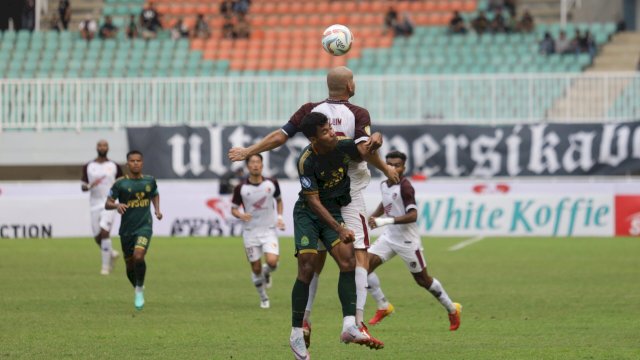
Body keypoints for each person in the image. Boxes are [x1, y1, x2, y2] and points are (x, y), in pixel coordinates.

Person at [228, 66, 399, 348]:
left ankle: (305, 319)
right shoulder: (358, 113)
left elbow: (281, 136)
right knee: (358, 254)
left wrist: (249, 151)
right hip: (349, 188)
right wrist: (383, 164)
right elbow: (362, 150)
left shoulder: (310, 110)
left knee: (314, 261)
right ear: (350, 87)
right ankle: (355, 323)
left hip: (321, 190)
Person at [289, 112, 395, 359]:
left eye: (330, 127)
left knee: (348, 261)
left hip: (334, 210)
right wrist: (339, 228)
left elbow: (367, 147)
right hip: (308, 214)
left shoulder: (342, 145)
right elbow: (313, 201)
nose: (332, 133)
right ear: (314, 139)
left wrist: (376, 138)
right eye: (325, 132)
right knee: (306, 267)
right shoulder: (306, 161)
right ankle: (296, 333)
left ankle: (349, 324)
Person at [365, 151, 462, 331]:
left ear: (404, 168)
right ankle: (383, 306)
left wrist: (384, 220)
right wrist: (374, 216)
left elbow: (413, 215)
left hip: (407, 241)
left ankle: (451, 308)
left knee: (422, 280)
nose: (392, 168)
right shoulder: (384, 184)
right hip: (388, 237)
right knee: (362, 267)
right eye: (389, 164)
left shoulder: (406, 187)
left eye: (397, 165)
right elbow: (385, 202)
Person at [105, 150, 162, 310]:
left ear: (142, 163)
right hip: (126, 230)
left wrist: (157, 210)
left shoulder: (150, 180)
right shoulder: (120, 183)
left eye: (138, 161)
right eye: (132, 161)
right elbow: (107, 203)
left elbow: (155, 194)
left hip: (144, 226)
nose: (135, 163)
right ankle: (137, 286)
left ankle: (139, 290)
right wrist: (117, 205)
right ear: (127, 163)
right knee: (130, 266)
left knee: (138, 257)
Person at [231, 154, 285, 309]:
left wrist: (280, 217)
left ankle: (267, 272)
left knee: (272, 262)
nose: (255, 165)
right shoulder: (241, 188)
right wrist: (241, 215)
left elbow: (279, 200)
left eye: (258, 162)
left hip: (268, 230)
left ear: (262, 165)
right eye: (252, 162)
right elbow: (233, 209)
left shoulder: (272, 183)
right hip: (250, 232)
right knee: (255, 268)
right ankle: (263, 298)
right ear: (248, 166)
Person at [81, 140, 124, 275]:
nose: (102, 147)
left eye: (105, 145)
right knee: (97, 237)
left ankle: (105, 267)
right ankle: (110, 253)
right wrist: (89, 186)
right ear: (96, 148)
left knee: (105, 231)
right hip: (94, 204)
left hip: (109, 203)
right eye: (100, 145)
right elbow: (83, 186)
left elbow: (122, 181)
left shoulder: (114, 165)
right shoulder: (89, 166)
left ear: (108, 148)